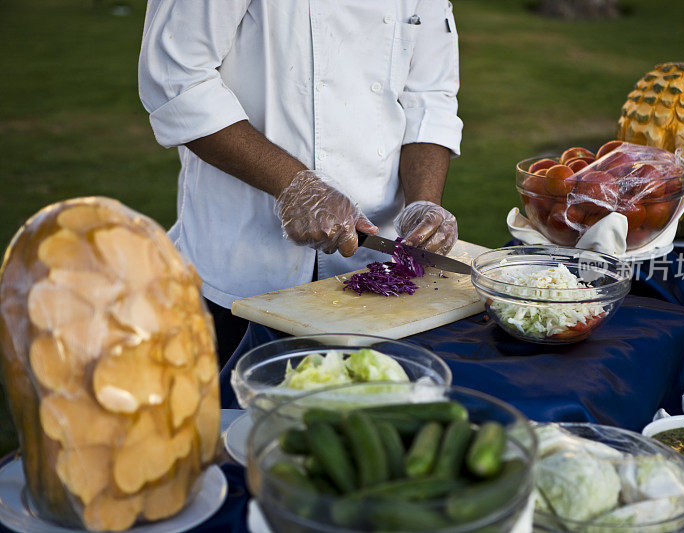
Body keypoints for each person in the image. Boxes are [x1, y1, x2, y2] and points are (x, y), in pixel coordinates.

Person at [138, 1, 463, 365]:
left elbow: (429, 97)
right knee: (235, 414)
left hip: (375, 271)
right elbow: (176, 79)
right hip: (246, 268)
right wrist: (296, 186)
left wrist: (424, 203)